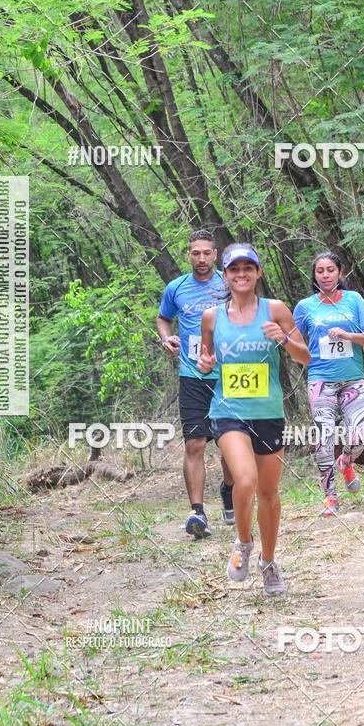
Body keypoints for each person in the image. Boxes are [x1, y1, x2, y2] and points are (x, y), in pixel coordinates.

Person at [197, 244, 310, 595]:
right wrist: (205, 366)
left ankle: (269, 561)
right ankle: (243, 542)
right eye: (234, 269)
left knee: (269, 492)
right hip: (228, 412)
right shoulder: (211, 317)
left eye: (248, 268)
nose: (241, 274)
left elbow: (305, 357)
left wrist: (286, 338)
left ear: (258, 273)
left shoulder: (274, 309)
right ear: (226, 275)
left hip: (268, 412)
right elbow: (206, 360)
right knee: (244, 479)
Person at [157, 229, 234, 539]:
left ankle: (229, 490)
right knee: (195, 444)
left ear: (215, 254)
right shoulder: (176, 288)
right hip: (192, 377)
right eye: (195, 253)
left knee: (230, 446)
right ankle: (197, 512)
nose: (201, 259)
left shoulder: (229, 285)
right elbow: (163, 318)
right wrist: (166, 338)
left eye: (206, 253)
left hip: (228, 377)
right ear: (188, 255)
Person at [293, 251, 364, 516]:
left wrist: (347, 335)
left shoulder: (354, 300)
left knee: (357, 438)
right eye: (320, 271)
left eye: (330, 270)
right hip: (320, 380)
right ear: (314, 275)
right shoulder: (306, 307)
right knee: (325, 439)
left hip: (352, 379)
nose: (326, 275)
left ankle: (346, 463)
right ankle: (329, 496)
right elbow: (295, 342)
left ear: (340, 273)